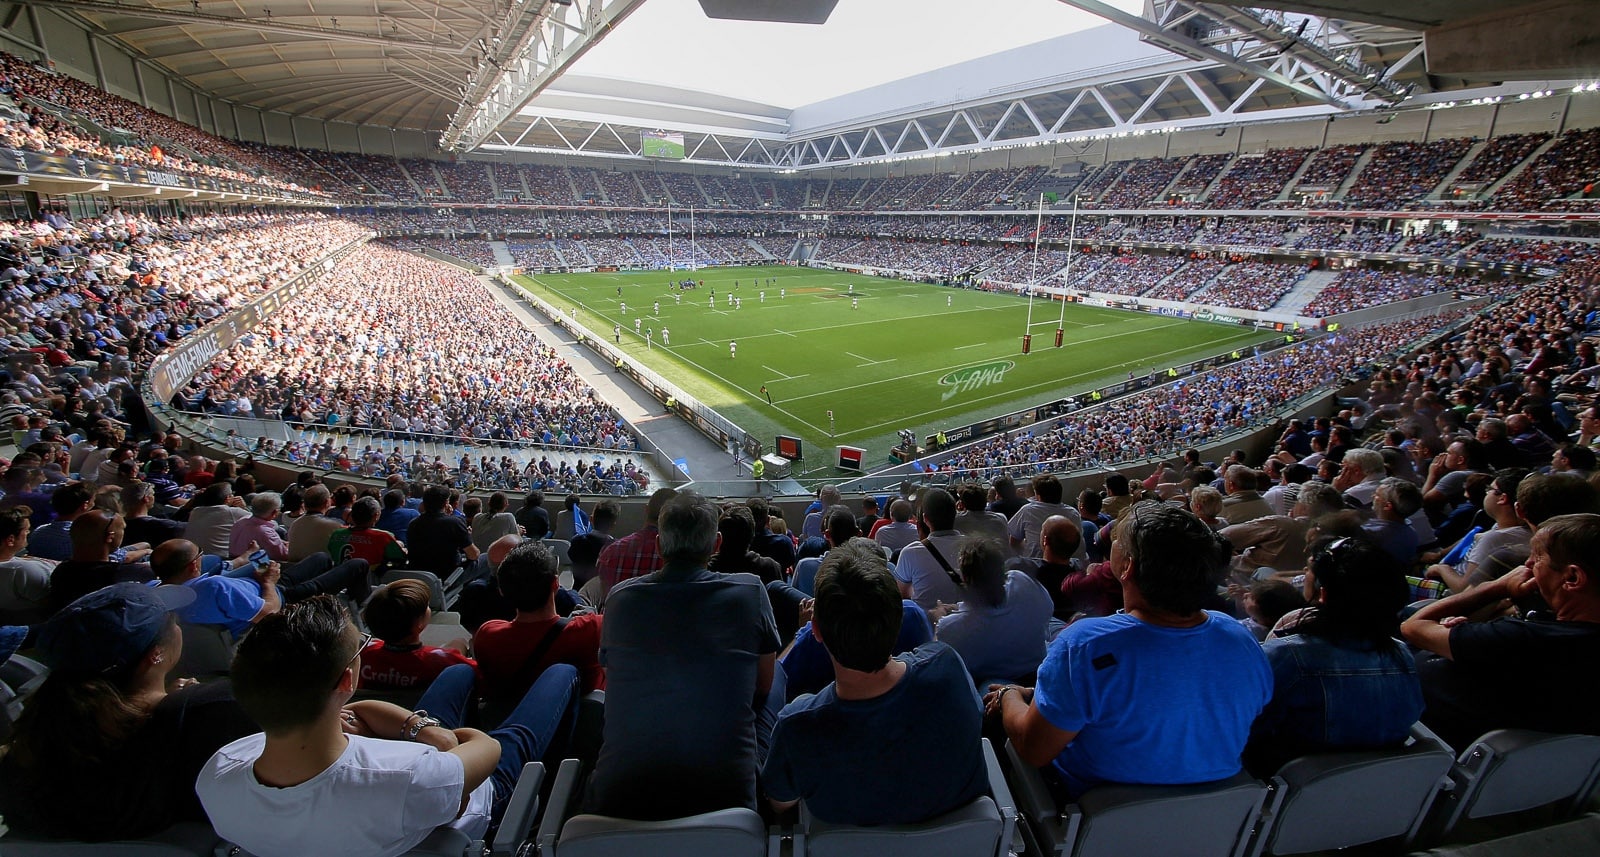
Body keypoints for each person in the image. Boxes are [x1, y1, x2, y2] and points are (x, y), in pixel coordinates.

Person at [198, 596, 579, 857]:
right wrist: (442, 739)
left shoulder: (219, 770)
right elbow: (486, 748)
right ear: (345, 682)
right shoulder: (411, 777)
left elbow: (361, 711)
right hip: (477, 785)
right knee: (559, 678)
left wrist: (420, 728)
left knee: (456, 677)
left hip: (428, 763)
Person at [986, 503, 1271, 796]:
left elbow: (1033, 749)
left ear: (1127, 566)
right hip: (1214, 818)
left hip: (1095, 814)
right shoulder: (1240, 638)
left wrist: (1010, 694)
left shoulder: (1084, 645)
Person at [0, 582, 257, 841]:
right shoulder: (216, 709)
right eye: (173, 621)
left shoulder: (35, 736)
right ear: (156, 654)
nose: (178, 626)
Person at [586, 491, 782, 820]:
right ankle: (779, 788)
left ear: (660, 545)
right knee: (779, 675)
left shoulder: (620, 599)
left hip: (618, 803)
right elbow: (763, 687)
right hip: (729, 803)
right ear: (716, 544)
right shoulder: (750, 591)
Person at [761, 541, 987, 825]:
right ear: (899, 616)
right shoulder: (948, 666)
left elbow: (781, 803)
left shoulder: (796, 725)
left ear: (815, 630)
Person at [1401, 513, 1600, 750]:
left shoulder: (1524, 640)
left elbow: (1412, 626)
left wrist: (1497, 587)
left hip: (1434, 743)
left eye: (1537, 558)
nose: (1526, 565)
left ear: (1572, 577)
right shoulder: (1536, 635)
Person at [1245, 535, 1423, 775]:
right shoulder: (1402, 656)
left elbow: (1245, 729)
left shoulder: (1285, 656)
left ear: (1324, 594)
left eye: (1309, 572)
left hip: (1290, 793)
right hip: (1379, 794)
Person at [475, 541, 605, 709]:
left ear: (502, 591)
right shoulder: (592, 628)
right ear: (556, 583)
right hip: (578, 726)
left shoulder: (487, 635)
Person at [935, 538, 1054, 684]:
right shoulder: (1022, 581)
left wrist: (938, 622)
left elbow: (941, 658)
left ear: (964, 578)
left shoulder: (948, 628)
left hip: (991, 686)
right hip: (1037, 670)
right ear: (1002, 569)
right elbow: (1048, 610)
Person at [358, 579, 476, 692]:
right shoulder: (444, 661)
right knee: (460, 643)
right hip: (424, 710)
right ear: (418, 623)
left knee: (457, 643)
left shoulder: (363, 655)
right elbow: (482, 677)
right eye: (427, 606)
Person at [408, 484, 479, 577]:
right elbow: (474, 555)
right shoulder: (454, 523)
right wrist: (468, 536)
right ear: (446, 503)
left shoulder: (413, 523)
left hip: (419, 575)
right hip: (448, 577)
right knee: (484, 559)